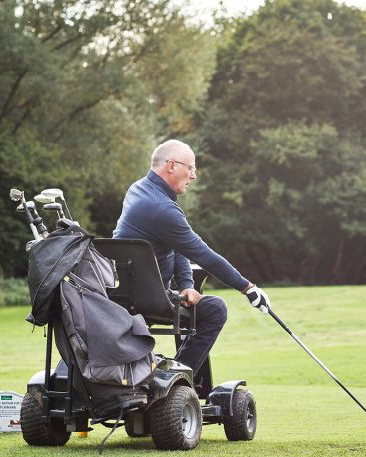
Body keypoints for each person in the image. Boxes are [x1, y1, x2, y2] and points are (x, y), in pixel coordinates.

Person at [113, 139, 271, 375]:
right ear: (171, 166)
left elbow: (177, 246)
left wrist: (186, 284)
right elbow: (204, 256)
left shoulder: (139, 189)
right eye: (191, 168)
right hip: (150, 299)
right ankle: (178, 376)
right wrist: (248, 288)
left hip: (127, 293)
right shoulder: (162, 208)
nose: (194, 176)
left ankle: (172, 375)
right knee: (215, 309)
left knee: (200, 302)